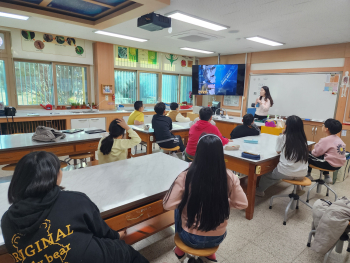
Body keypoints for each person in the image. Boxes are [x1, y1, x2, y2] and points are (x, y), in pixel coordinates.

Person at [1, 151, 148, 263]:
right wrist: (117, 236)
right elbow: (101, 231)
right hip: (92, 258)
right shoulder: (74, 200)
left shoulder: (7, 220)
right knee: (125, 251)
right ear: (55, 176)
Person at [163, 134, 248, 262]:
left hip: (190, 237)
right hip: (217, 237)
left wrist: (188, 199)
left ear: (198, 152)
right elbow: (243, 204)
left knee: (178, 207)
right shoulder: (230, 176)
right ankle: (209, 254)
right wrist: (222, 201)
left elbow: (168, 205)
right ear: (221, 153)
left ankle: (180, 249)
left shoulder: (186, 175)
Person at [256, 115, 309, 197]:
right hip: (302, 174)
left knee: (267, 175)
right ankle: (298, 187)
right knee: (295, 167)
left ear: (286, 126)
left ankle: (259, 191)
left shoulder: (282, 137)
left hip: (286, 172)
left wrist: (283, 135)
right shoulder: (304, 140)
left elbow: (278, 151)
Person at [307, 119, 346, 184]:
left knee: (307, 155)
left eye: (323, 125)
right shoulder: (339, 139)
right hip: (339, 165)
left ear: (326, 129)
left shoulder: (325, 140)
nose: (322, 126)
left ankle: (308, 175)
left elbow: (315, 153)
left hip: (329, 164)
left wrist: (313, 150)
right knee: (324, 157)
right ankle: (327, 176)